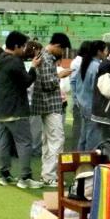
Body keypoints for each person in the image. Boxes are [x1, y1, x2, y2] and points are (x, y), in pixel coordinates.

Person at [0, 31, 41, 189]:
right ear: (16, 46)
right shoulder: (15, 62)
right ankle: (25, 177)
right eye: (23, 47)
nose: (24, 50)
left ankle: (4, 174)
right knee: (24, 143)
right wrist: (33, 67)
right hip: (16, 110)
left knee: (3, 143)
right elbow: (26, 81)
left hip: (1, 109)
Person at [31, 33, 72, 187]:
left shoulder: (44, 56)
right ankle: (50, 176)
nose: (62, 53)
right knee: (56, 139)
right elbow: (48, 84)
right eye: (62, 50)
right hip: (50, 104)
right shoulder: (47, 58)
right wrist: (60, 75)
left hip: (45, 104)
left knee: (48, 141)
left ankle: (47, 174)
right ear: (57, 46)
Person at [71, 42, 97, 150]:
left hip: (83, 102)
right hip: (89, 103)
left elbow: (75, 82)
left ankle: (81, 155)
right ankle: (87, 157)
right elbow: (94, 87)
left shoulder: (83, 63)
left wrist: (76, 98)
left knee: (84, 134)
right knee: (90, 135)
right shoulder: (93, 65)